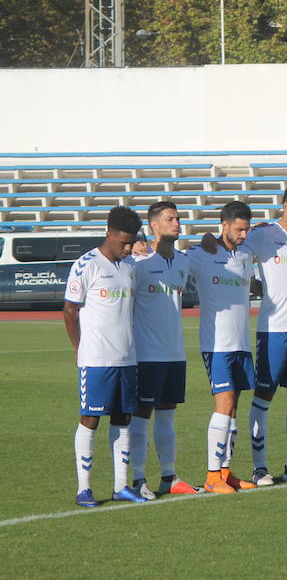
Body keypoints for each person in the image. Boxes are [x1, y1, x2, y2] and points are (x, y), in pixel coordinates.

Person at [201, 183, 287, 485]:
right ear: (285, 207)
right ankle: (259, 468)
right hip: (272, 331)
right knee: (264, 397)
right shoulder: (260, 236)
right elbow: (229, 244)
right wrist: (208, 238)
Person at [64, 206, 148, 506]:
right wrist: (79, 348)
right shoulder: (86, 265)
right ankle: (84, 488)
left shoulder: (130, 268)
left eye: (131, 242)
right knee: (90, 419)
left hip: (127, 358)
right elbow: (70, 311)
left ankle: (121, 486)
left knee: (123, 418)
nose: (128, 248)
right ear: (109, 234)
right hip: (96, 360)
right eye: (123, 242)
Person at [129, 202, 202, 500]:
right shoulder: (139, 265)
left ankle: (169, 477)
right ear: (154, 226)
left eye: (178, 217)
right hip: (147, 355)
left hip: (175, 353)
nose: (177, 222)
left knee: (168, 417)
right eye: (170, 219)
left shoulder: (184, 261)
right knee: (141, 416)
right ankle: (137, 479)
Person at [188, 201, 258, 493]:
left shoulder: (245, 254)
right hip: (216, 344)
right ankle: (212, 474)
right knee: (224, 405)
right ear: (224, 224)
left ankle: (226, 470)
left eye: (246, 229)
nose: (243, 234)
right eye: (239, 229)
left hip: (241, 343)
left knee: (233, 410)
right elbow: (173, 258)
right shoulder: (201, 254)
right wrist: (143, 248)